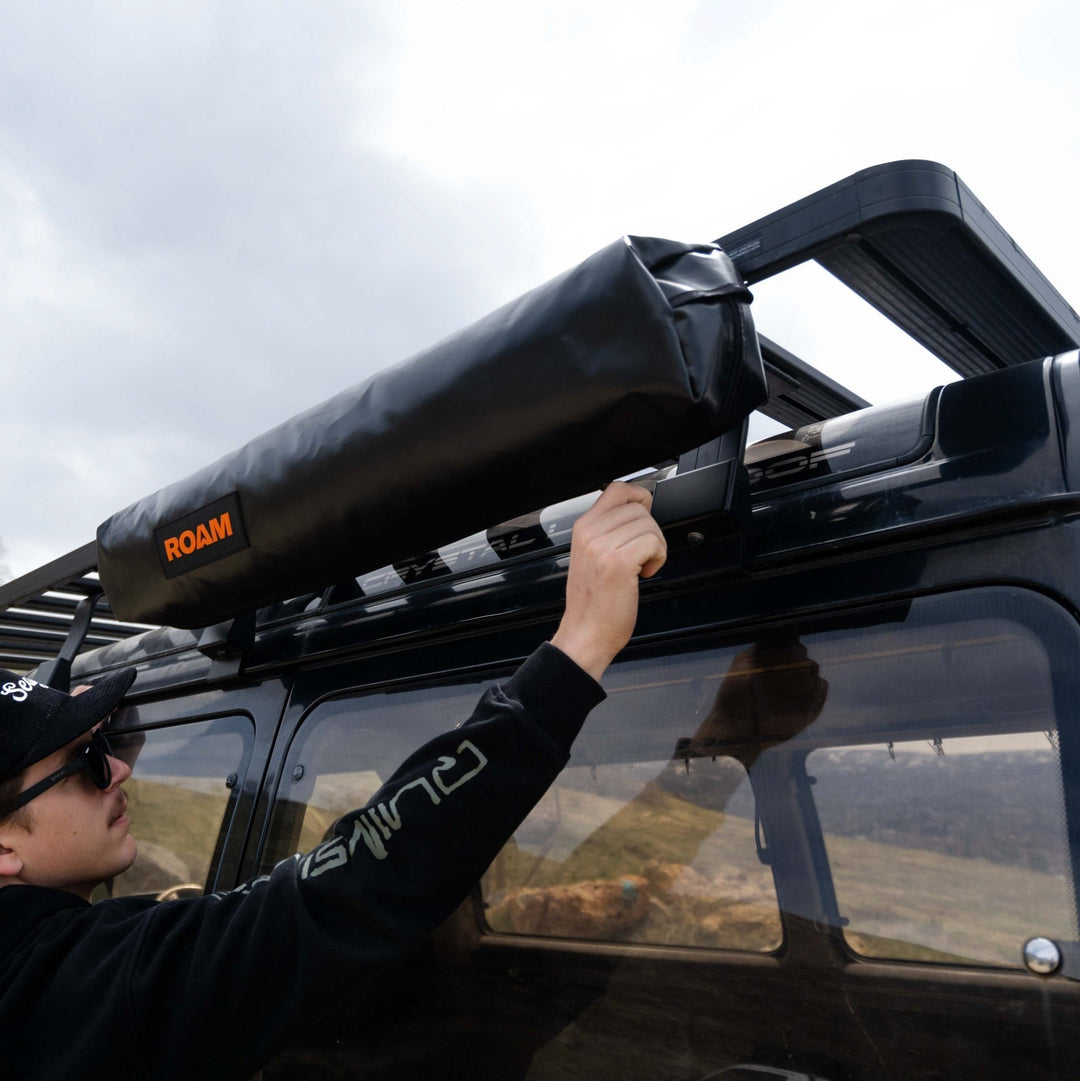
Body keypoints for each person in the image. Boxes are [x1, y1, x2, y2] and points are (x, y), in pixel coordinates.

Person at [0, 481, 666, 1081]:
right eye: (87, 763)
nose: (118, 768)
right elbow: (340, 891)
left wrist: (78, 735)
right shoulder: (83, 987)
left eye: (109, 746)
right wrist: (577, 648)